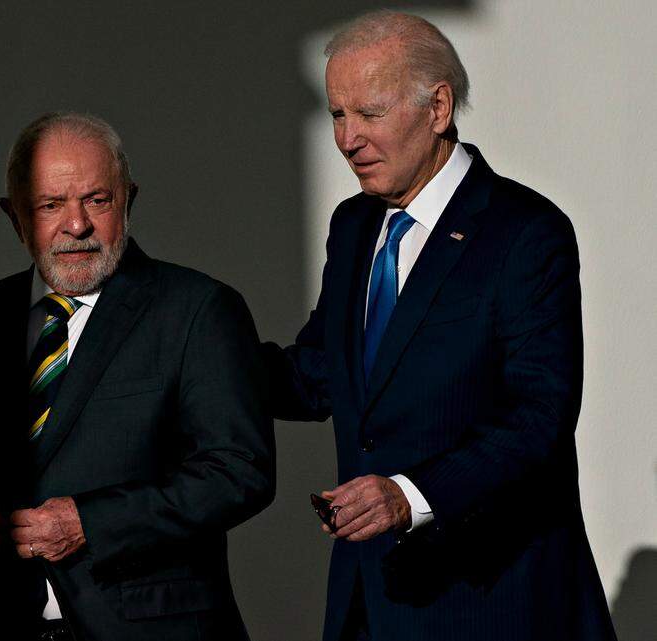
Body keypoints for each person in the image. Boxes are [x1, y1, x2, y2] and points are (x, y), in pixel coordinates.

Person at [263, 11, 617, 641]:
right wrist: (190, 347)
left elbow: (539, 416)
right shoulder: (353, 227)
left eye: (367, 113)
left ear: (438, 107)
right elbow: (321, 375)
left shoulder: (525, 234)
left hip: (490, 600)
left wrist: (410, 495)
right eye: (337, 114)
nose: (346, 139)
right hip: (370, 600)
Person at [0, 112, 275, 641]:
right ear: (15, 217)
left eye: (97, 200)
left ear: (129, 200)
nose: (77, 225)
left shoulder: (198, 309)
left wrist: (91, 524)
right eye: (50, 205)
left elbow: (240, 472)